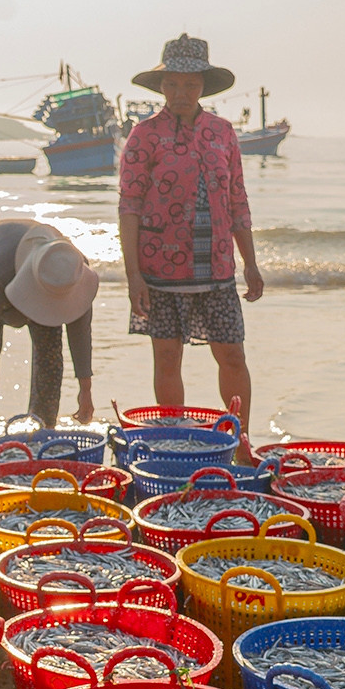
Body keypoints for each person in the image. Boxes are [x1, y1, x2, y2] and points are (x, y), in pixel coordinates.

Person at [117, 34, 264, 456]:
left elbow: (238, 199)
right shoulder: (144, 135)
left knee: (232, 356)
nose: (181, 93)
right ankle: (173, 445)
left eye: (190, 84)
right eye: (173, 84)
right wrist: (133, 276)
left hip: (217, 268)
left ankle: (241, 444)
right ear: (162, 87)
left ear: (203, 86)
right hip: (159, 270)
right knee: (167, 359)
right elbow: (129, 205)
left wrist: (250, 262)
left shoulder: (222, 133)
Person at [0, 220, 99, 437]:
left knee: (50, 353)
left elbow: (80, 333)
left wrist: (86, 391)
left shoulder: (71, 269)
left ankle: (43, 430)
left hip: (42, 279)